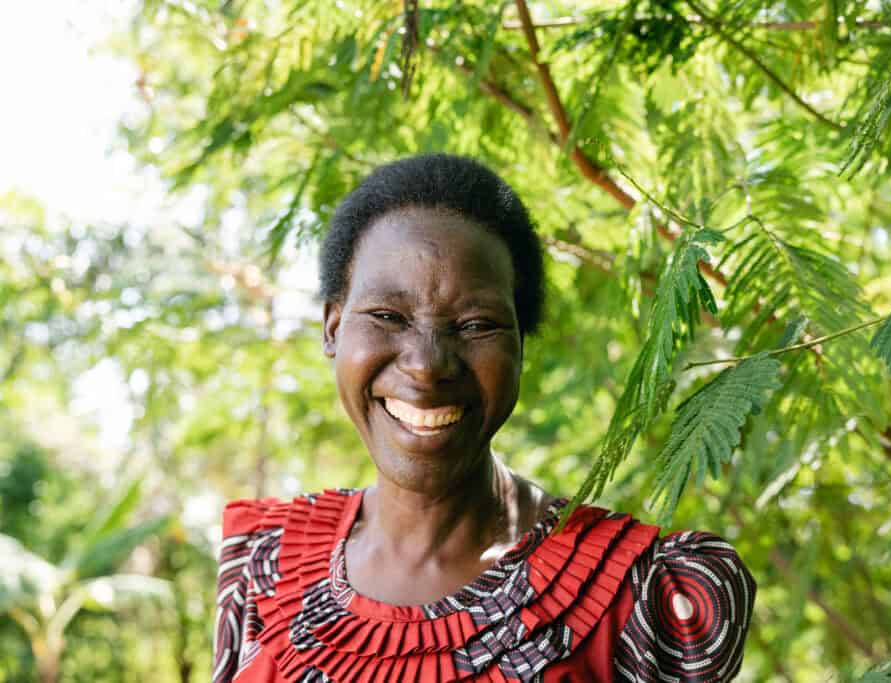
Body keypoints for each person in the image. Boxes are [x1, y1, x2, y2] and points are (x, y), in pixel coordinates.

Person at [213, 154, 756, 682]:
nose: (426, 366)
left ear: (521, 344)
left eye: (475, 325)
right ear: (332, 328)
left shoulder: (640, 594)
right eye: (386, 316)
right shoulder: (265, 564)